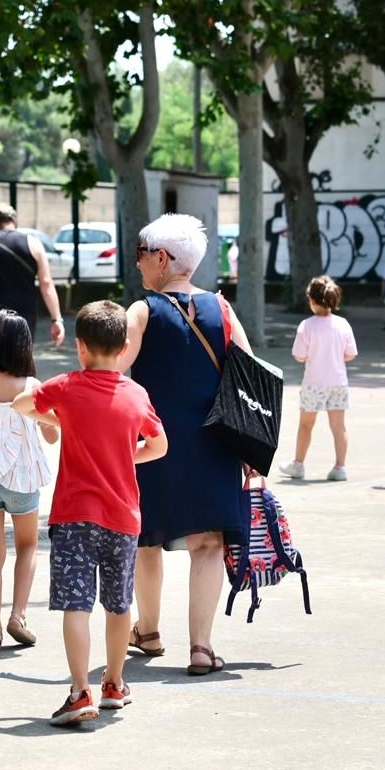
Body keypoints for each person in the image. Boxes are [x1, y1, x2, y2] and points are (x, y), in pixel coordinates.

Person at [15, 301, 167, 725]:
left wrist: (66, 423)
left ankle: (80, 690)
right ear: (123, 348)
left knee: (75, 606)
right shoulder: (136, 395)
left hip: (73, 516)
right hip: (123, 517)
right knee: (119, 606)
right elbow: (159, 446)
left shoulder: (66, 387)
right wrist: (121, 453)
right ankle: (114, 683)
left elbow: (23, 405)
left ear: (80, 347)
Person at [116, 213, 255, 675]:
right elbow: (251, 379)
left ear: (161, 258)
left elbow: (113, 371)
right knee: (209, 544)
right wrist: (254, 448)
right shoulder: (224, 310)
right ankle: (201, 647)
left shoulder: (142, 311)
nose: (137, 266)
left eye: (140, 256)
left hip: (153, 442)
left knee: (147, 538)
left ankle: (149, 631)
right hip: (216, 444)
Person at [0, 309, 56, 653]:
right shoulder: (31, 387)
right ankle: (18, 616)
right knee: (28, 546)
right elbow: (51, 437)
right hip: (22, 479)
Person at [278, 275, 358, 482]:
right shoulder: (343, 324)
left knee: (306, 424)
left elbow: (299, 355)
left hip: (314, 383)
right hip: (338, 382)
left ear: (312, 300)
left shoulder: (307, 326)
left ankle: (298, 464)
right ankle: (340, 467)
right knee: (339, 426)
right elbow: (351, 354)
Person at [0, 204, 64, 349]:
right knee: (22, 362)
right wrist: (56, 320)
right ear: (15, 221)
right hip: (25, 316)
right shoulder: (34, 244)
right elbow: (46, 283)